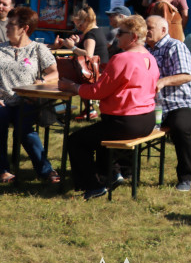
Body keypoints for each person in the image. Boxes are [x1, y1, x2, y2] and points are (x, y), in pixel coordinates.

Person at [60, 15, 159, 199]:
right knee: (98, 136)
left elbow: (98, 92)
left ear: (134, 37)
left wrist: (73, 87)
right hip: (147, 120)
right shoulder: (150, 57)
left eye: (121, 33)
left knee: (76, 140)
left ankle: (93, 185)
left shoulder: (122, 58)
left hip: (125, 122)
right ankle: (111, 175)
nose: (116, 36)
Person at [0, 6, 60, 184]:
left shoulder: (38, 49)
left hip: (25, 101)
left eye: (11, 24)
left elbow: (55, 73)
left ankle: (45, 170)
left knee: (25, 128)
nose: (6, 27)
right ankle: (2, 170)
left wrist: (42, 81)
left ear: (25, 28)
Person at [147, 15, 191, 192]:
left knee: (180, 127)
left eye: (150, 28)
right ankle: (123, 171)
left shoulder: (175, 46)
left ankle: (185, 177)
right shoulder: (144, 50)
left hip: (181, 103)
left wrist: (163, 82)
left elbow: (187, 75)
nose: (145, 31)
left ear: (163, 30)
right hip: (154, 106)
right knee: (130, 123)